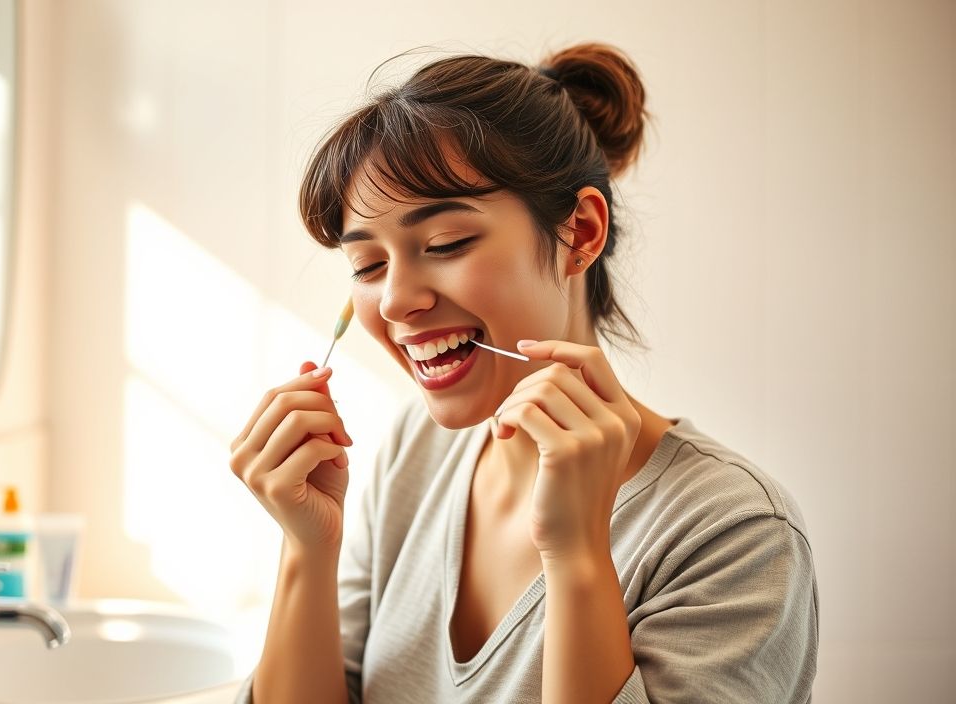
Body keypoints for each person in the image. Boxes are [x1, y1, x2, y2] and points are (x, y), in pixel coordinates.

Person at [229, 41, 818, 703]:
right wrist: (307, 549)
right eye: (367, 266)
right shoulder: (410, 456)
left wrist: (577, 559)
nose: (393, 300)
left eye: (446, 244)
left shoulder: (734, 532)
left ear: (581, 233)